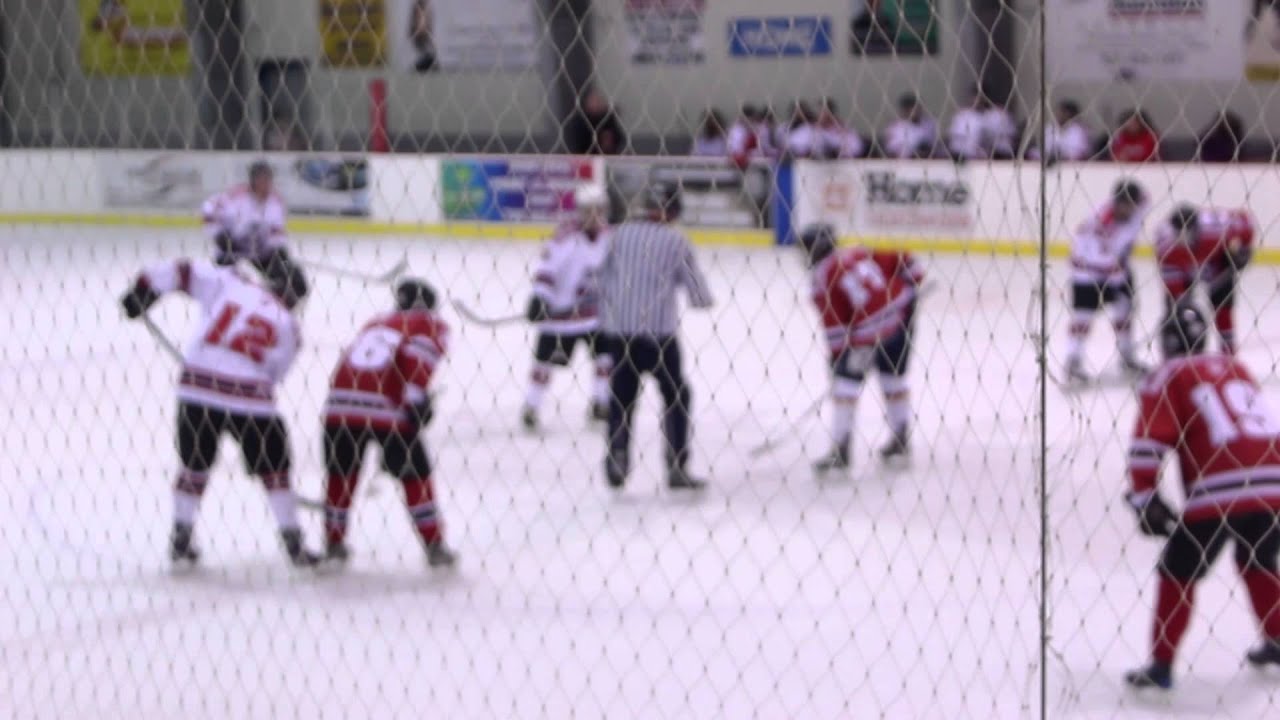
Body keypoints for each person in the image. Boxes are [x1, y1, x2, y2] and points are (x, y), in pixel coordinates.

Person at [118, 257, 318, 567]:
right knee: (275, 470)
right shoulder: (290, 326)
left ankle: (181, 537)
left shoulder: (232, 284)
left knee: (193, 467)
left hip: (196, 389)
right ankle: (294, 543)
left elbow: (183, 269)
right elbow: (275, 374)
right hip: (250, 398)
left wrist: (144, 292)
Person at [1122, 305, 1280, 690]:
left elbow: (1148, 441)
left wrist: (1144, 497)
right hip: (1275, 485)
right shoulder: (1235, 367)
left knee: (1176, 570)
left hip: (1217, 491)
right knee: (1256, 557)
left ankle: (1160, 667)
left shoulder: (1166, 374)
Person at [321, 279, 457, 568]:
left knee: (341, 476)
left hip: (338, 408)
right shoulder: (432, 324)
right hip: (387, 408)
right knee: (416, 475)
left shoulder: (376, 322)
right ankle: (434, 545)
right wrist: (416, 400)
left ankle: (334, 542)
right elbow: (418, 357)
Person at [597, 182, 714, 491]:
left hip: (620, 333)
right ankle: (676, 463)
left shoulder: (619, 234)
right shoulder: (675, 241)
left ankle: (617, 457)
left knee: (621, 398)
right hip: (659, 337)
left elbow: (599, 278)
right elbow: (699, 296)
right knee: (677, 396)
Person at [798, 225, 916, 471]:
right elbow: (905, 260)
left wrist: (837, 361)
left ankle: (841, 449)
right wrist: (911, 288)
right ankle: (900, 437)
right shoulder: (857, 252)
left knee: (845, 387)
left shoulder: (821, 277)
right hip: (901, 318)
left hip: (868, 335)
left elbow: (835, 326)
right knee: (892, 379)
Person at [521, 185, 613, 430]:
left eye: (598, 210)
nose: (594, 215)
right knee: (543, 364)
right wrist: (539, 298)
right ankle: (531, 406)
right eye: (588, 210)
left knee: (605, 358)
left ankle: (601, 403)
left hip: (595, 317)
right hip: (559, 318)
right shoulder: (564, 238)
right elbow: (546, 271)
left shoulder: (610, 237)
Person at [1064, 179, 1149, 382]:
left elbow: (1146, 199)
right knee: (1083, 317)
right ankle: (1073, 360)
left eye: (1132, 206)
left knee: (1124, 313)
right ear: (1117, 203)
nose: (1129, 210)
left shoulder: (1137, 208)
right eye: (1125, 205)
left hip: (1116, 270)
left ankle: (1126, 356)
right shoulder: (1102, 224)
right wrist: (1117, 276)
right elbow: (1099, 260)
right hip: (1087, 272)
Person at [201, 161, 309, 301]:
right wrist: (220, 236)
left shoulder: (275, 201)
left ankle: (270, 305)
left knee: (297, 283)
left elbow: (276, 232)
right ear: (253, 180)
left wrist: (278, 249)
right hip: (232, 250)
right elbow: (208, 210)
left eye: (268, 179)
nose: (266, 183)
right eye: (261, 179)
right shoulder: (236, 196)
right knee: (221, 284)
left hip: (262, 252)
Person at [1154, 204, 1255, 354]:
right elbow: (1173, 282)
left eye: (1186, 232)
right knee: (1176, 313)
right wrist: (1182, 302)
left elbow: (1246, 221)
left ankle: (1228, 355)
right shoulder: (1165, 245)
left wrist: (1244, 249)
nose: (1181, 238)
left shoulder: (1215, 228)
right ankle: (1177, 354)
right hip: (1184, 270)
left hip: (1216, 265)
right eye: (1178, 233)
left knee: (1223, 308)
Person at [565, 89, 626, 155]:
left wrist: (611, 139)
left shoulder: (607, 119)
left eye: (598, 100)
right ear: (586, 103)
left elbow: (620, 138)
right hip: (586, 156)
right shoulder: (580, 121)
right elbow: (579, 142)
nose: (596, 103)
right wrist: (600, 140)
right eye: (593, 100)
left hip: (608, 156)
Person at [882, 93, 938, 159]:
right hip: (905, 162)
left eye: (916, 107)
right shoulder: (895, 128)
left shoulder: (929, 124)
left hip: (928, 160)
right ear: (904, 110)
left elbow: (934, 145)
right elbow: (891, 152)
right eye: (909, 108)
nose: (914, 111)